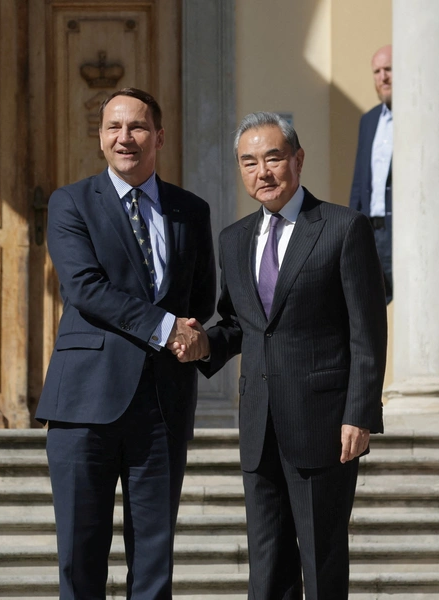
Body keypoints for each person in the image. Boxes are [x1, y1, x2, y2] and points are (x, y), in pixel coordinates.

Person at [177, 112, 387, 599]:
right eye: (249, 162)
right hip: (258, 425)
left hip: (324, 425)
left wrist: (359, 413)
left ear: (298, 159)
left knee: (321, 560)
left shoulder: (343, 228)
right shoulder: (234, 239)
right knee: (267, 565)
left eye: (273, 158)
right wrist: (205, 343)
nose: (262, 172)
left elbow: (367, 332)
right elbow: (240, 324)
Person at [36, 87, 216, 600]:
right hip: (84, 405)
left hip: (162, 406)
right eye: (113, 127)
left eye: (137, 126)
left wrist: (194, 337)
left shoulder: (191, 210)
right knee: (81, 561)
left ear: (159, 136)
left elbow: (200, 298)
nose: (125, 137)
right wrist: (166, 329)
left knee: (155, 567)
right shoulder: (71, 202)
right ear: (100, 138)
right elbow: (84, 288)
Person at [349, 44, 393, 304]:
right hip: (370, 231)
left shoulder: (417, 117)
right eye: (377, 71)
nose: (382, 77)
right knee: (368, 303)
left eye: (389, 69)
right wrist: (352, 229)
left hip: (401, 231)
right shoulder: (369, 120)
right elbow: (359, 182)